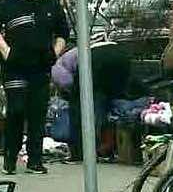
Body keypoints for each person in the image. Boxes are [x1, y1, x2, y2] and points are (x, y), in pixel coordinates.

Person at [0, 0, 69, 175]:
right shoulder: (9, 1)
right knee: (16, 110)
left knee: (37, 113)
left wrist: (55, 52)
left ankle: (35, 160)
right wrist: (7, 51)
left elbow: (63, 32)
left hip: (41, 66)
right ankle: (10, 157)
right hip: (15, 66)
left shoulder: (51, 4)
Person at [51, 35, 132, 163]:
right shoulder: (76, 52)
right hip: (121, 55)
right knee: (107, 104)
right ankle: (108, 148)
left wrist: (71, 96)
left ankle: (81, 153)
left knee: (78, 109)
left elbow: (68, 84)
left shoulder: (56, 65)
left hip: (96, 60)